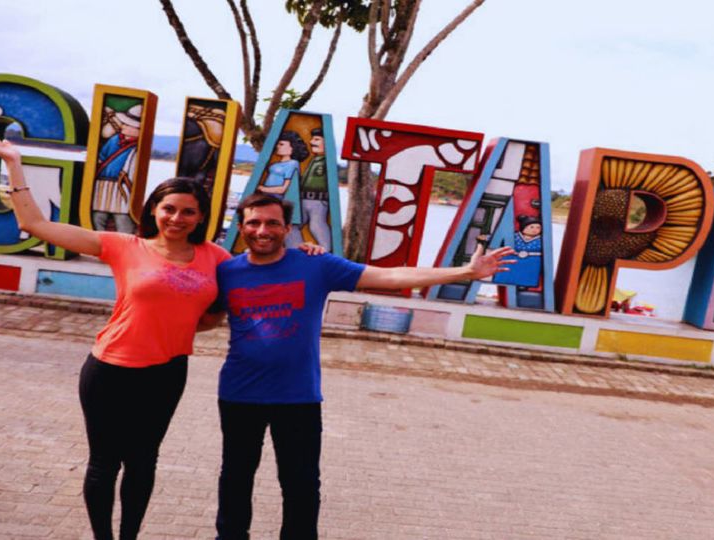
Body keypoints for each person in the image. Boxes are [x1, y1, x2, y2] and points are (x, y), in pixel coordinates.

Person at [211, 194, 515, 539]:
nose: (262, 230)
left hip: (297, 396)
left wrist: (465, 271)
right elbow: (197, 310)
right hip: (239, 392)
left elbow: (390, 276)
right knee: (235, 476)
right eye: (253, 222)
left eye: (272, 223)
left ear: (288, 228)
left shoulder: (315, 265)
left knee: (301, 485)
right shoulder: (226, 272)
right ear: (241, 226)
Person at [0, 124, 231, 540]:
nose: (177, 218)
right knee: (104, 463)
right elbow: (36, 224)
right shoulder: (123, 245)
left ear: (202, 217)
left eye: (188, 211)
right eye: (169, 209)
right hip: (110, 369)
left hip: (167, 372)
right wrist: (13, 164)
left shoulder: (216, 257)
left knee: (144, 461)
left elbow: (242, 289)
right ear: (153, 209)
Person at [92, 104, 143, 233]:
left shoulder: (139, 147)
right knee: (98, 215)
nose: (123, 126)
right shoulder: (114, 140)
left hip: (123, 186)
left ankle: (125, 242)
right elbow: (101, 156)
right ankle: (99, 241)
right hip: (102, 183)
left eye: (128, 124)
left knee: (122, 217)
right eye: (124, 123)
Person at [256, 130, 307, 247]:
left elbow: (283, 189)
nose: (278, 146)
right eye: (278, 144)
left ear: (292, 148)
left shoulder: (293, 164)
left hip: (276, 200)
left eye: (282, 144)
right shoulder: (275, 164)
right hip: (265, 198)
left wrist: (263, 188)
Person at [299, 128, 332, 249]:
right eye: (312, 138)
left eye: (317, 139)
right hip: (303, 199)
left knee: (316, 225)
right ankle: (295, 248)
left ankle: (326, 251)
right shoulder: (315, 160)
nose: (312, 141)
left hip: (318, 201)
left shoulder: (327, 162)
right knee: (294, 224)